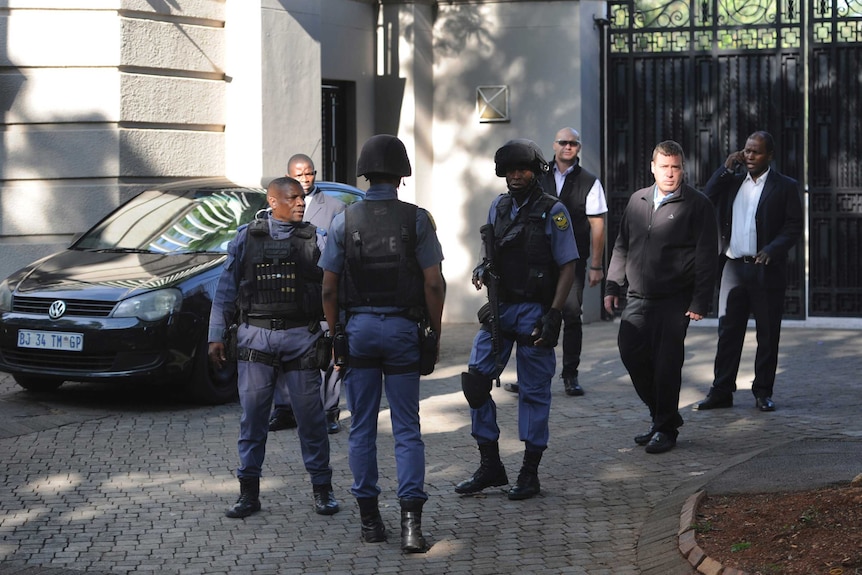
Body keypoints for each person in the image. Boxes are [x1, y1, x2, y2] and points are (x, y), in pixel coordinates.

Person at [319, 134, 445, 553]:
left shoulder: (344, 220)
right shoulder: (418, 220)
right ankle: (412, 526)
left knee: (361, 427)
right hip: (404, 331)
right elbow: (433, 282)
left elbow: (329, 290)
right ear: (401, 176)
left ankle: (370, 522)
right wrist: (435, 332)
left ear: (366, 174)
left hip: (359, 332)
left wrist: (337, 334)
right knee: (407, 429)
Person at [208, 177, 340, 518]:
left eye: (301, 198)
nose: (300, 202)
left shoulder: (317, 238)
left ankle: (322, 490)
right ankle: (248, 494)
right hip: (256, 340)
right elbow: (225, 290)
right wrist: (216, 334)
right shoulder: (245, 238)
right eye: (292, 197)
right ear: (273, 200)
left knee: (311, 420)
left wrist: (338, 334)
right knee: (252, 420)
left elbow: (335, 289)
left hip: (302, 339)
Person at [456, 139, 577, 500]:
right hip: (501, 308)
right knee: (476, 383)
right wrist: (481, 267)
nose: (516, 176)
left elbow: (568, 264)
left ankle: (529, 472)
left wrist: (555, 314)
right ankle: (491, 464)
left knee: (535, 393)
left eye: (522, 169)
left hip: (535, 311)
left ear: (536, 171)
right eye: (510, 170)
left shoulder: (554, 210)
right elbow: (490, 249)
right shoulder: (499, 206)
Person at [603, 140, 718, 454]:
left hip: (674, 300)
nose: (670, 173)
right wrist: (613, 285)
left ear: (682, 168)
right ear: (653, 167)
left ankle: (665, 428)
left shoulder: (698, 204)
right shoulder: (637, 200)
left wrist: (699, 301)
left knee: (667, 364)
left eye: (676, 167)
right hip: (637, 297)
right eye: (664, 167)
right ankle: (662, 417)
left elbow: (707, 257)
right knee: (630, 352)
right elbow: (622, 245)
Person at [695, 131, 803, 412]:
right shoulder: (731, 182)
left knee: (767, 334)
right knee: (728, 331)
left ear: (770, 155)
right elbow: (707, 198)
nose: (750, 156)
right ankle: (721, 391)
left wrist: (773, 249)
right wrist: (726, 167)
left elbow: (793, 226)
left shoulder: (785, 186)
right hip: (733, 267)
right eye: (746, 151)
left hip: (765, 269)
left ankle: (762, 391)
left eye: (756, 152)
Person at [505, 127, 607, 397]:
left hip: (571, 261)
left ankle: (570, 375)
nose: (568, 147)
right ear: (554, 145)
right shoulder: (537, 175)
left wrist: (596, 265)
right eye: (563, 142)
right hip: (536, 260)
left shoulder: (589, 181)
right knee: (531, 314)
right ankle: (527, 374)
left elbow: (598, 225)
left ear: (578, 148)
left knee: (571, 315)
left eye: (573, 143)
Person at [269, 154, 347, 434]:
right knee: (281, 355)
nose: (305, 179)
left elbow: (340, 254)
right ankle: (285, 410)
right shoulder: (276, 207)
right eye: (299, 175)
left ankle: (330, 412)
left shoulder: (335, 207)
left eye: (309, 174)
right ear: (289, 175)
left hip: (320, 291)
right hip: (285, 295)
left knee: (326, 355)